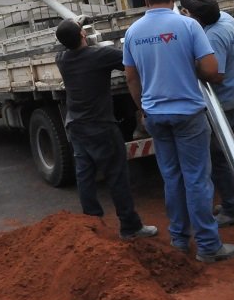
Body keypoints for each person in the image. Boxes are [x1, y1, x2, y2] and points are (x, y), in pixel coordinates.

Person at [122, 0, 234, 263]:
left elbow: (131, 77)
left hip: (156, 115)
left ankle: (179, 240)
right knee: (197, 179)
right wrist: (189, 68)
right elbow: (211, 70)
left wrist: (143, 108)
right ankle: (209, 247)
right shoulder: (188, 26)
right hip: (187, 113)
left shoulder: (133, 32)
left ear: (145, 1)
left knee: (171, 178)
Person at [54, 19, 158, 240]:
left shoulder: (62, 59)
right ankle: (130, 227)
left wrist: (77, 31)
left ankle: (93, 226)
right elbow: (130, 63)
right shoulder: (100, 56)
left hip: (76, 127)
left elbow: (67, 44)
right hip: (101, 126)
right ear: (83, 35)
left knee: (85, 177)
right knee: (117, 176)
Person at [180, 0, 234, 227]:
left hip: (221, 103)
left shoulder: (214, 36)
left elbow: (214, 74)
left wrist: (188, 63)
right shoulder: (226, 19)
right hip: (231, 98)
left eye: (186, 12)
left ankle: (233, 208)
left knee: (220, 159)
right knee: (231, 157)